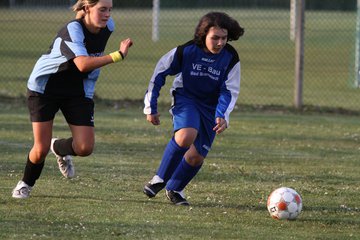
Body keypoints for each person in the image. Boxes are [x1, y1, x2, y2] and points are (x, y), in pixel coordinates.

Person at [12, 0, 133, 199]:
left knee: (85, 147)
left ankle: (58, 147)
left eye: (110, 9)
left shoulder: (108, 26)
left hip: (76, 91)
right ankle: (25, 183)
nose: (107, 15)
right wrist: (118, 55)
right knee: (40, 149)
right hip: (45, 88)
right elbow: (83, 64)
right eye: (102, 9)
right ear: (87, 9)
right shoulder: (72, 29)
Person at [143, 12, 244, 206]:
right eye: (215, 38)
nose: (220, 43)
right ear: (203, 34)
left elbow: (229, 90)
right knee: (186, 135)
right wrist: (151, 106)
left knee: (196, 157)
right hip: (186, 98)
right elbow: (159, 73)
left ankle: (175, 188)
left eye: (224, 38)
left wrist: (222, 115)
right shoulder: (186, 51)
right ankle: (159, 178)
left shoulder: (230, 57)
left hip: (211, 107)